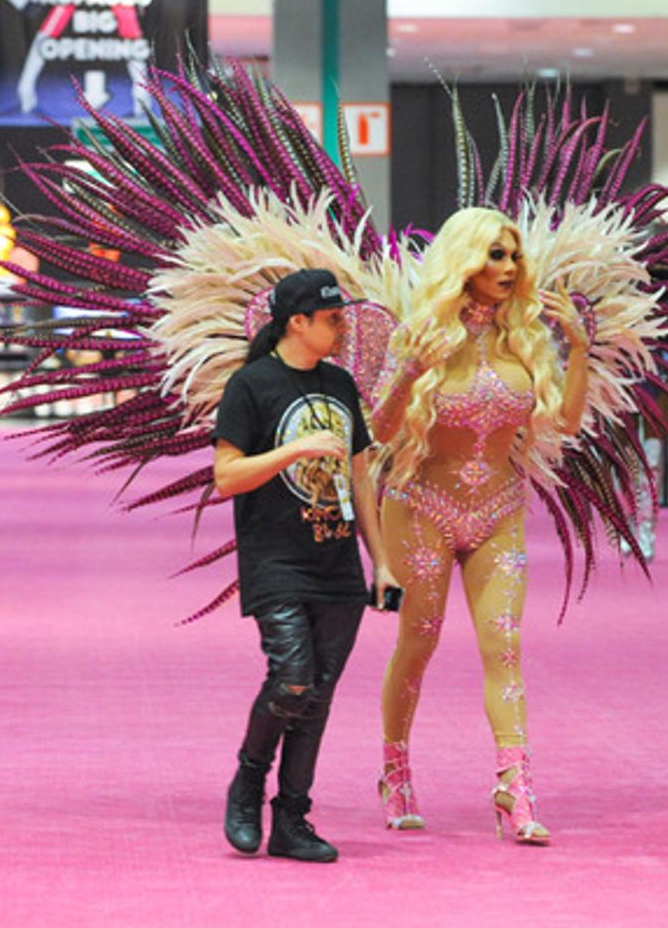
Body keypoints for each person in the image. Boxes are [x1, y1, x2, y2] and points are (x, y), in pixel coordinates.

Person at [369, 207, 590, 845]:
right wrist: (411, 370)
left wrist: (578, 348)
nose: (509, 267)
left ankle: (514, 786)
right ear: (463, 259)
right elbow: (379, 431)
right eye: (495, 254)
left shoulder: (526, 337)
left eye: (513, 255)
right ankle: (396, 769)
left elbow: (567, 421)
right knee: (420, 643)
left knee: (505, 648)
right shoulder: (419, 334)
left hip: (500, 512)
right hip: (421, 508)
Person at [213, 269, 395, 864]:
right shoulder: (251, 385)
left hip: (338, 564)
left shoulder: (341, 386)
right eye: (334, 318)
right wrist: (293, 449)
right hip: (277, 559)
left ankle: (292, 820)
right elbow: (225, 476)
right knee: (291, 677)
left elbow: (362, 478)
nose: (344, 327)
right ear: (298, 322)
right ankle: (248, 779)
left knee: (316, 697)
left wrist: (382, 561)